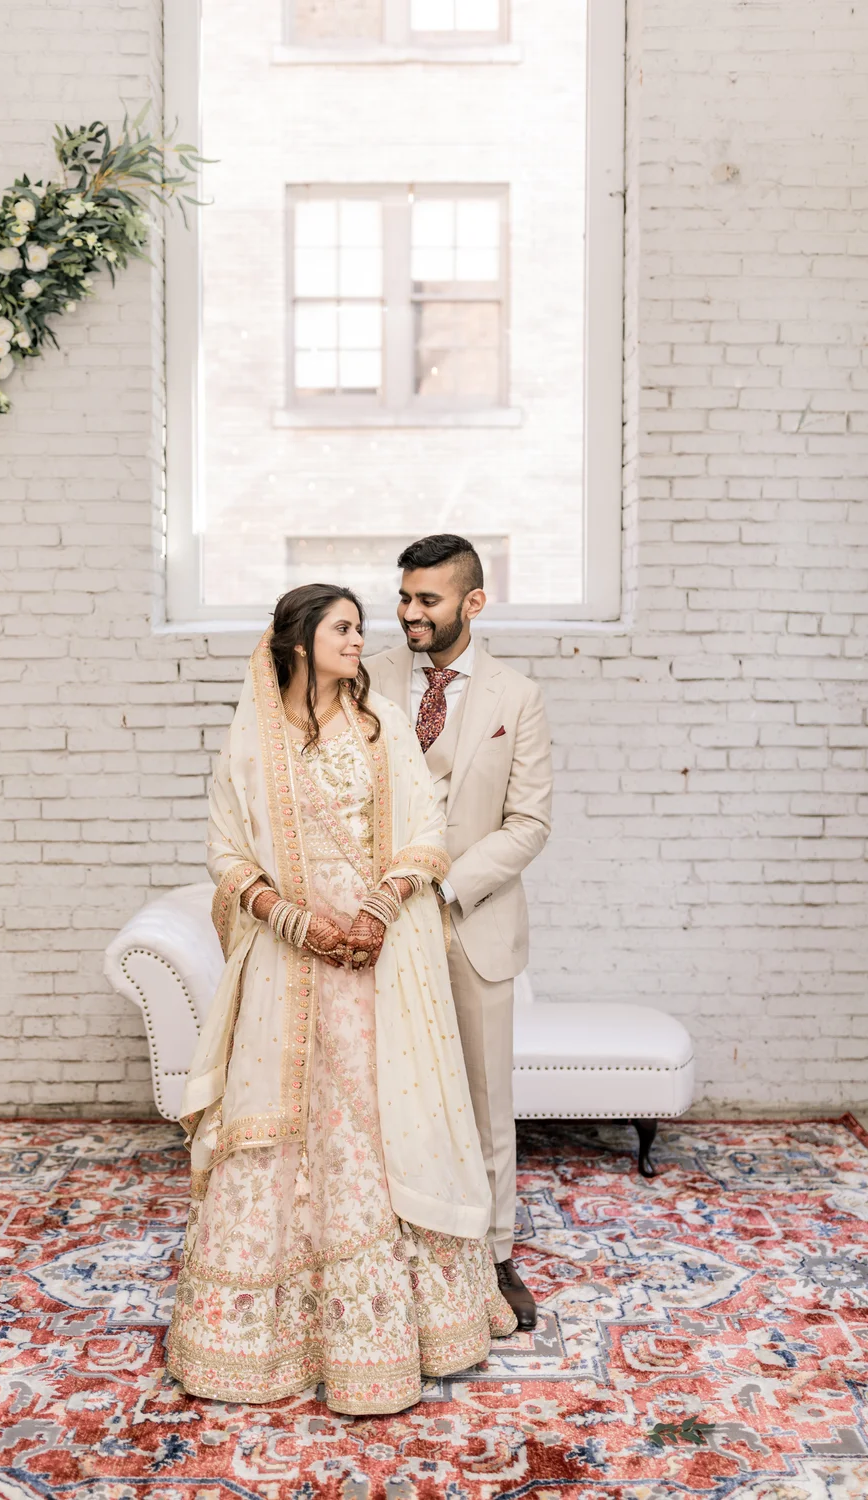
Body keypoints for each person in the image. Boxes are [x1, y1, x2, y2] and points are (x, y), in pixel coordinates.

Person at [167, 583, 516, 1415]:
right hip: (289, 969)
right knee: (288, 1127)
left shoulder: (380, 725)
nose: (361, 640)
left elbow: (423, 834)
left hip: (378, 958)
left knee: (370, 1120)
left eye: (362, 627)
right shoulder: (253, 742)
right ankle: (263, 1337)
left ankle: (397, 1335)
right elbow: (226, 854)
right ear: (297, 642)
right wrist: (291, 919)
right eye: (344, 628)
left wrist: (374, 912)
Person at [365, 535, 553, 1331]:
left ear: (474, 602)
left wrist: (443, 889)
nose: (410, 613)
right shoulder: (368, 672)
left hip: (469, 924)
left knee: (483, 1098)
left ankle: (497, 1252)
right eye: (404, 597)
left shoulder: (518, 698)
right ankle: (391, 1245)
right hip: (377, 923)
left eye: (428, 600)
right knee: (381, 1092)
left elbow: (529, 824)